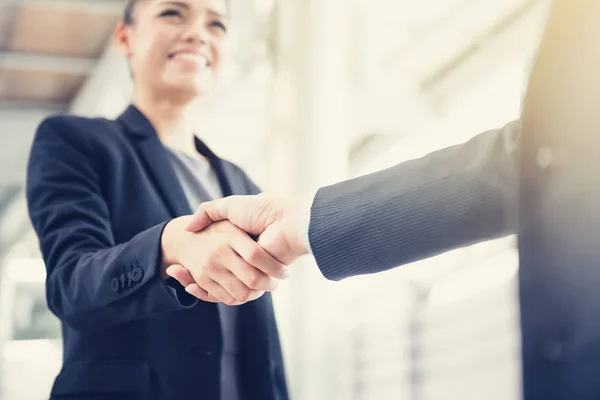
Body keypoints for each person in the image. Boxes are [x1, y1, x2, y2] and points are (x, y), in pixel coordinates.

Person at [175, 1, 600, 399]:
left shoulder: (233, 175)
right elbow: (533, 163)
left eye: (216, 22)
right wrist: (304, 220)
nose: (197, 35)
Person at [26, 0, 289, 399]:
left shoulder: (242, 183)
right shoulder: (75, 141)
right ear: (124, 37)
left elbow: (263, 342)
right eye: (173, 13)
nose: (198, 32)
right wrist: (166, 247)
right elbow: (71, 287)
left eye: (216, 25)